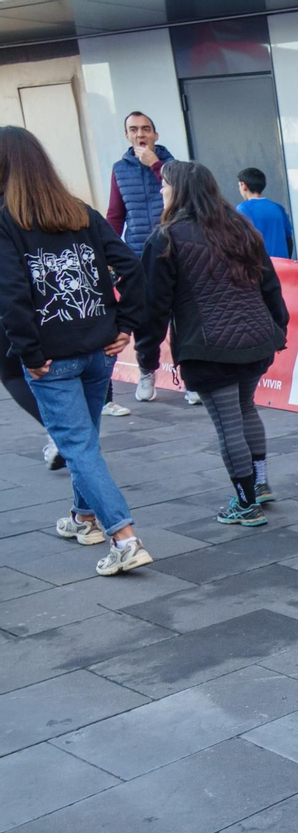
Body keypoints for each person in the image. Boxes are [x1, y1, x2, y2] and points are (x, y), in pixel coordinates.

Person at [0, 125, 152, 576]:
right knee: (84, 440)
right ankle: (85, 520)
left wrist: (28, 352)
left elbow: (10, 294)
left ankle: (124, 538)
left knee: (79, 447)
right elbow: (130, 265)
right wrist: (125, 324)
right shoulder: (79, 212)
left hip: (53, 357)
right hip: (98, 348)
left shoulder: (6, 220)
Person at [138, 162, 290, 527]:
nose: (162, 192)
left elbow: (154, 307)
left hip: (209, 348)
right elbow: (270, 284)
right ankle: (260, 483)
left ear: (180, 191)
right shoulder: (239, 228)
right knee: (245, 410)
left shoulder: (166, 238)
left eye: (165, 186)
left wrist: (147, 355)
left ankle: (246, 503)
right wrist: (277, 329)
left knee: (228, 425)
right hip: (255, 342)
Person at [110, 111, 183, 409]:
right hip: (140, 255)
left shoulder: (173, 167)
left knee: (182, 318)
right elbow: (116, 214)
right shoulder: (119, 169)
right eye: (134, 130)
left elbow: (182, 196)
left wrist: (154, 164)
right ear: (127, 136)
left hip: (177, 250)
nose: (140, 134)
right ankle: (146, 372)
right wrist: (109, 253)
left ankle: (188, 376)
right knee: (147, 321)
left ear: (156, 134)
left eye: (146, 129)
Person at [235, 167, 295, 259]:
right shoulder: (278, 208)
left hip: (258, 265)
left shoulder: (243, 209)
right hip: (282, 265)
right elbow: (288, 240)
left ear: (243, 185)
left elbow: (239, 241)